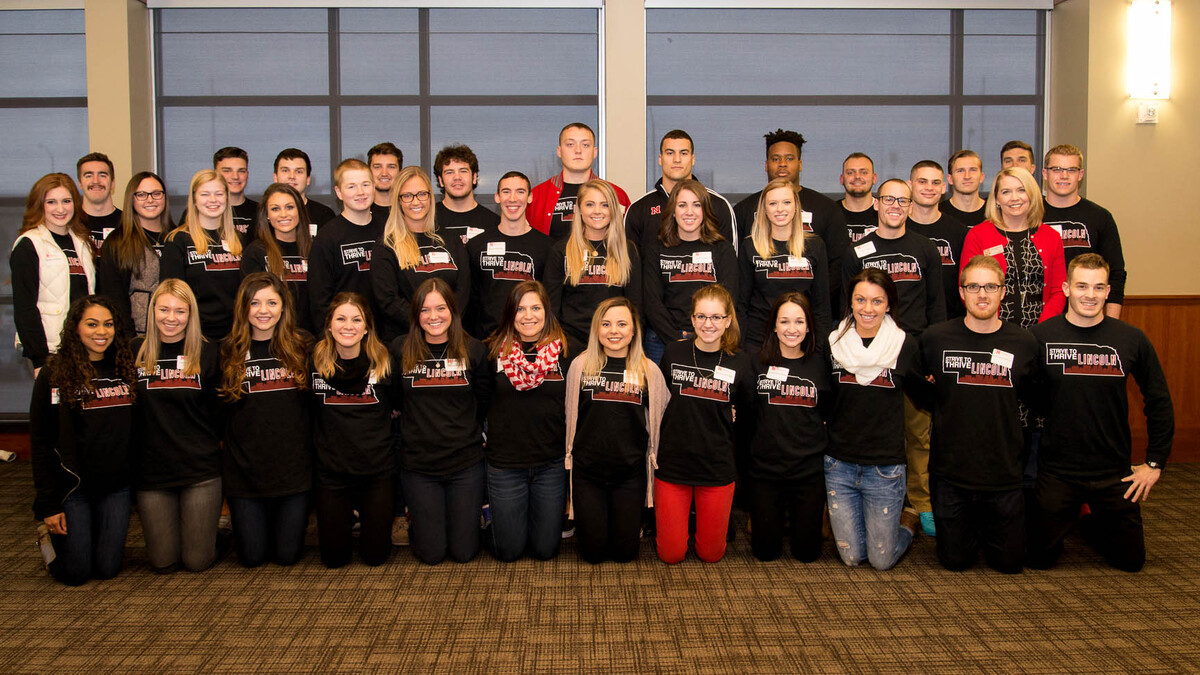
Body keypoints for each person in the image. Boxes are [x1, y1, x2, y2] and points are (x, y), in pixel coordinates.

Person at [1028, 254, 1174, 573]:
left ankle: (1091, 524)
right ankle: (1064, 521)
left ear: (1108, 291)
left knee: (1131, 562)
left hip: (1113, 473)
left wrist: (1154, 463)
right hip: (1058, 472)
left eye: (1098, 287)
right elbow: (1016, 397)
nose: (1089, 295)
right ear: (1066, 288)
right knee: (1039, 560)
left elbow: (1159, 401)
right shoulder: (1041, 338)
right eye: (1081, 286)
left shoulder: (1130, 339)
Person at [918, 255, 1039, 574]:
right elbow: (919, 389)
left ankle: (988, 527)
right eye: (973, 286)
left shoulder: (1024, 343)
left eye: (990, 287)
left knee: (1010, 564)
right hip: (951, 471)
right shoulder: (935, 340)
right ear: (961, 292)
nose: (982, 294)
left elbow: (1038, 398)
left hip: (1002, 471)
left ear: (1002, 292)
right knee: (955, 562)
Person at [841, 178, 945, 536]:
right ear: (876, 203)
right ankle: (880, 499)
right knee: (875, 428)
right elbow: (846, 303)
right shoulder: (858, 250)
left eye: (903, 200)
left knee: (918, 434)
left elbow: (937, 306)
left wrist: (932, 358)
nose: (896, 206)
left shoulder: (924, 248)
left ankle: (921, 502)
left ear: (912, 205)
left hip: (910, 352)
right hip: (867, 353)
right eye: (889, 199)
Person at [31, 295, 136, 585]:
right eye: (92, 324)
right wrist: (48, 505)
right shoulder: (54, 374)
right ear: (75, 327)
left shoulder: (125, 368)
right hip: (73, 489)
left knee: (107, 569)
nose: (101, 332)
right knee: (76, 573)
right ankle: (46, 538)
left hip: (116, 486)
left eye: (108, 324)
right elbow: (40, 443)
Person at [825, 269, 921, 570]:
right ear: (850, 303)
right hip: (839, 465)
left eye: (877, 301)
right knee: (853, 557)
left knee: (881, 561)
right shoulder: (832, 343)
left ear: (889, 305)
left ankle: (907, 525)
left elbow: (924, 395)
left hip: (885, 466)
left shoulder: (905, 345)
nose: (868, 309)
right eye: (861, 300)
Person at [394, 278, 493, 565]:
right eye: (425, 310)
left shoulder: (473, 350)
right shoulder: (400, 350)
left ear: (453, 310)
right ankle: (418, 520)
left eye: (440, 308)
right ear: (416, 314)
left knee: (464, 553)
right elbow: (395, 401)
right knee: (432, 554)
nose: (433, 316)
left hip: (465, 464)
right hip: (419, 467)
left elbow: (483, 401)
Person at [654, 284, 754, 564]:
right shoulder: (674, 352)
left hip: (716, 467)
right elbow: (662, 402)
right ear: (692, 318)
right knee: (671, 554)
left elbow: (747, 413)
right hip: (673, 465)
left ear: (727, 321)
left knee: (711, 555)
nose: (708, 324)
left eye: (715, 317)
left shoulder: (741, 361)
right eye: (701, 316)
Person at [218, 273, 312, 567]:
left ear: (284, 307)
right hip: (245, 474)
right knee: (252, 558)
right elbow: (219, 414)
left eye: (272, 302)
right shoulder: (226, 351)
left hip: (293, 472)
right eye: (255, 302)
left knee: (286, 557)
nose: (263, 310)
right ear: (243, 307)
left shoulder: (303, 346)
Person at [565, 296, 668, 563]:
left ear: (634, 330)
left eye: (622, 324)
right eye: (606, 324)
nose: (614, 331)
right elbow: (567, 416)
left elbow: (663, 418)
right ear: (596, 330)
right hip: (588, 473)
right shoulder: (580, 367)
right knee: (593, 554)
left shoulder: (649, 371)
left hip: (629, 475)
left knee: (625, 554)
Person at [131, 280, 223, 573]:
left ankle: (217, 531)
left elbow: (218, 412)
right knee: (163, 562)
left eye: (180, 311)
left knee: (197, 562)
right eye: (164, 309)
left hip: (199, 471)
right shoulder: (134, 351)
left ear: (191, 314)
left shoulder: (208, 352)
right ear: (152, 310)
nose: (171, 318)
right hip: (152, 472)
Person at [483, 281, 569, 561]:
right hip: (506, 466)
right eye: (520, 308)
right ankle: (491, 520)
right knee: (509, 551)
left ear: (547, 311)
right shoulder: (492, 351)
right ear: (510, 313)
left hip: (550, 465)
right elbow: (479, 403)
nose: (528, 315)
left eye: (535, 307)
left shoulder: (566, 352)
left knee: (545, 550)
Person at [309, 292, 395, 568]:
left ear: (367, 326)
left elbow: (399, 407)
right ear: (329, 325)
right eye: (341, 319)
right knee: (334, 560)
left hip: (376, 472)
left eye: (357, 319)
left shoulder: (385, 362)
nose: (349, 326)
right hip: (332, 474)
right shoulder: (313, 362)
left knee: (376, 557)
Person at [747, 292, 830, 562]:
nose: (791, 329)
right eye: (784, 321)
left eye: (799, 321)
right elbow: (748, 415)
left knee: (807, 554)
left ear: (809, 326)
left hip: (808, 471)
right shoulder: (755, 363)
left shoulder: (822, 365)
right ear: (773, 325)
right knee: (765, 553)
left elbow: (831, 412)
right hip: (765, 471)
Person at [733, 128, 850, 312]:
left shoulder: (827, 208)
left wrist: (810, 309)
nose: (782, 164)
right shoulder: (743, 210)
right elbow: (739, 273)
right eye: (775, 159)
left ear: (800, 164)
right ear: (766, 164)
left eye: (789, 158)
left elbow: (836, 265)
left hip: (808, 317)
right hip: (760, 319)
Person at [642, 179, 738, 363]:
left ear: (705, 210)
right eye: (682, 205)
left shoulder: (722, 249)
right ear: (673, 211)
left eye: (696, 205)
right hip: (662, 341)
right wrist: (677, 342)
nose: (689, 212)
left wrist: (703, 337)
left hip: (711, 337)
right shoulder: (657, 249)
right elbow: (652, 302)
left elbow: (729, 297)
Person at [11, 173, 97, 374]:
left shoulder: (83, 243)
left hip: (83, 347)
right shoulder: (29, 244)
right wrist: (39, 359)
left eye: (66, 201)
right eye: (51, 202)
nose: (60, 209)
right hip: (49, 351)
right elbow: (24, 308)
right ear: (40, 205)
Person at [372, 166, 470, 341]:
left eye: (422, 194)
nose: (416, 202)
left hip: (449, 338)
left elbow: (463, 288)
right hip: (406, 340)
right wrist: (429, 322)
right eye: (407, 196)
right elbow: (388, 300)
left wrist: (444, 321)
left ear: (430, 197)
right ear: (399, 201)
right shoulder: (387, 246)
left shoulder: (451, 240)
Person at [544, 179, 641, 355]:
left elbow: (635, 306)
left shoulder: (628, 251)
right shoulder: (561, 251)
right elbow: (551, 308)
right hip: (571, 345)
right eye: (590, 204)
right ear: (579, 209)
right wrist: (560, 345)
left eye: (604, 205)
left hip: (615, 343)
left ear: (613, 210)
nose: (597, 211)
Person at [961, 167, 1066, 328]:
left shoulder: (1051, 237)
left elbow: (1058, 291)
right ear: (996, 199)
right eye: (1006, 192)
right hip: (991, 330)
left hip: (1041, 332)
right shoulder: (978, 235)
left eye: (1021, 190)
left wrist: (1042, 329)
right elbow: (968, 288)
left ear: (1031, 194)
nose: (1014, 198)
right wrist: (992, 326)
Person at [737, 178, 831, 354]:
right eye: (773, 203)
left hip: (801, 343)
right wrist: (741, 348)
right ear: (764, 209)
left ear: (796, 206)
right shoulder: (750, 247)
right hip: (758, 342)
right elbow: (741, 304)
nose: (780, 209)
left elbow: (822, 306)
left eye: (786, 202)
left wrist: (818, 350)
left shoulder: (815, 246)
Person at [1040, 143, 1127, 318]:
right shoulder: (1030, 215)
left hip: (1087, 315)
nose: (1064, 176)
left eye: (1071, 170)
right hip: (1039, 316)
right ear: (1045, 173)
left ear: (1080, 175)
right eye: (1056, 169)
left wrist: (1111, 324)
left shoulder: (1100, 217)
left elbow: (1116, 273)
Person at [466, 171, 552, 337]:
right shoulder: (476, 245)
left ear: (530, 197)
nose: (513, 198)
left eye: (520, 191)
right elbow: (471, 301)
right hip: (488, 342)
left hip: (531, 342)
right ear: (497, 197)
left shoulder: (547, 247)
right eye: (506, 192)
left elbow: (550, 301)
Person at [624, 129, 737, 255]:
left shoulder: (718, 205)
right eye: (670, 153)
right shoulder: (639, 209)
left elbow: (730, 264)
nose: (677, 159)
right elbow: (629, 267)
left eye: (683, 153)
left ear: (692, 159)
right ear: (660, 159)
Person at [161, 170, 244, 340]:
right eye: (205, 194)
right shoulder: (177, 241)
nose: (213, 200)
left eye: (219, 194)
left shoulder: (239, 239)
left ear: (227, 198)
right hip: (196, 337)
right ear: (194, 199)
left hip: (235, 336)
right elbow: (172, 296)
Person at [308, 158, 385, 325]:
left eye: (365, 184)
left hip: (384, 335)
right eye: (351, 186)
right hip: (345, 334)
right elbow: (320, 300)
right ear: (338, 192)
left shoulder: (389, 230)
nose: (360, 192)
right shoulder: (327, 238)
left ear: (373, 186)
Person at [97, 172, 172, 336]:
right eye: (142, 195)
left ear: (165, 198)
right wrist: (129, 341)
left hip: (177, 335)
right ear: (132, 199)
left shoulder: (178, 237)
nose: (150, 200)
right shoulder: (118, 242)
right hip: (136, 338)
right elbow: (114, 299)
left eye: (157, 194)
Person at [529, 122, 631, 240]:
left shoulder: (617, 195)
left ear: (595, 152)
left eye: (585, 145)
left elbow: (626, 243)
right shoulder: (537, 196)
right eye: (570, 144)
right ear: (559, 151)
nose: (578, 150)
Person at [240, 183, 315, 332]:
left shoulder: (316, 249)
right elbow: (250, 303)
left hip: (309, 337)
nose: (283, 214)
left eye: (289, 207)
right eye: (275, 209)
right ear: (267, 215)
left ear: (300, 210)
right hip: (272, 337)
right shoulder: (255, 253)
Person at [907, 160, 969, 320]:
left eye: (935, 183)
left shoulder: (959, 231)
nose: (929, 188)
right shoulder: (899, 229)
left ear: (943, 188)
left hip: (950, 322)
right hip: (905, 324)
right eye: (922, 182)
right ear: (910, 185)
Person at [433, 144, 500, 246]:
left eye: (463, 171)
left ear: (474, 177)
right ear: (441, 181)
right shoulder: (428, 220)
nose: (457, 177)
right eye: (449, 172)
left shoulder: (494, 223)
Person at [273, 148, 336, 229]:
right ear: (275, 177)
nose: (292, 176)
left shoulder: (324, 215)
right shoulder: (262, 213)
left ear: (308, 179)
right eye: (285, 170)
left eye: (299, 171)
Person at [76, 152, 121, 251]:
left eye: (102, 175)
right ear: (80, 183)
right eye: (88, 175)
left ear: (113, 183)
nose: (96, 181)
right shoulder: (70, 222)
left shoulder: (128, 224)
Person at [214, 147, 258, 242]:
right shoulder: (203, 210)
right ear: (215, 174)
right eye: (227, 171)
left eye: (241, 171)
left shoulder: (260, 211)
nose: (235, 177)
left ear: (247, 174)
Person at [942, 149, 988, 228]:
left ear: (981, 177)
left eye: (973, 170)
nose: (967, 176)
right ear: (950, 179)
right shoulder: (939, 212)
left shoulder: (994, 213)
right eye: (960, 171)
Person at [839, 152, 878, 243]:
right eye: (850, 173)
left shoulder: (886, 212)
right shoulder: (830, 212)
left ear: (874, 178)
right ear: (842, 179)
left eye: (864, 172)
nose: (857, 176)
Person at [367, 141, 403, 222]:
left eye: (391, 167)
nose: (384, 173)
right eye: (377, 167)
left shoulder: (410, 211)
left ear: (400, 171)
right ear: (369, 171)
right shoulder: (360, 212)